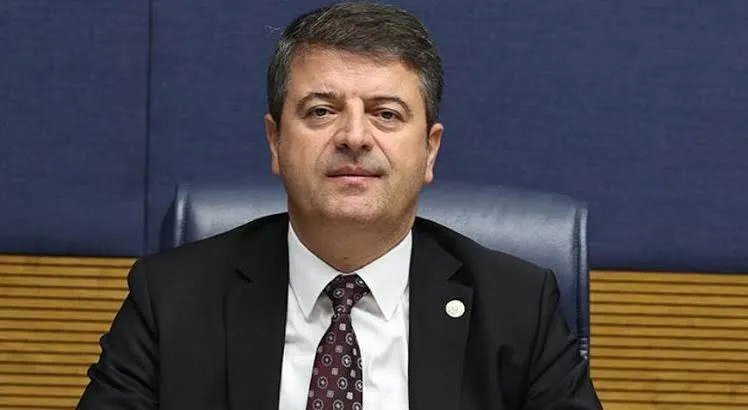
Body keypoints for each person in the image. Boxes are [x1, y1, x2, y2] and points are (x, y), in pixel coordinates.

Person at [78, 2, 602, 409]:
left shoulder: (517, 308)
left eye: (386, 114)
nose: (354, 136)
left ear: (429, 150)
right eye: (321, 111)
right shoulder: (170, 300)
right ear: (275, 142)